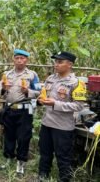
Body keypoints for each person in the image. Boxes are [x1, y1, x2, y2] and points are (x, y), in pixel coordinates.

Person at [38, 51, 85, 182]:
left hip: (63, 127)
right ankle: (43, 176)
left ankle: (64, 178)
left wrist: (55, 104)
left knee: (63, 156)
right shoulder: (50, 79)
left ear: (69, 64)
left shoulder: (76, 83)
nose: (56, 64)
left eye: (60, 62)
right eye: (55, 61)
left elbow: (78, 106)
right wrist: (41, 100)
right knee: (45, 153)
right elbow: (43, 95)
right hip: (47, 123)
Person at [0, 49, 41, 175]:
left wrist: (27, 91)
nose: (19, 60)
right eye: (17, 58)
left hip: (25, 110)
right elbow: (1, 91)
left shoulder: (32, 75)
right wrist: (4, 89)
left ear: (26, 60)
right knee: (9, 136)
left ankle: (21, 163)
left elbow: (38, 92)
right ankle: (8, 159)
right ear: (13, 59)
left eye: (22, 58)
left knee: (23, 137)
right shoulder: (7, 74)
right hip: (10, 109)